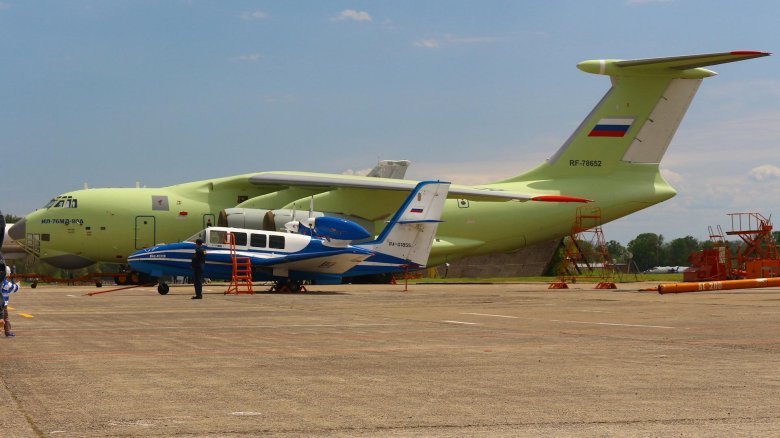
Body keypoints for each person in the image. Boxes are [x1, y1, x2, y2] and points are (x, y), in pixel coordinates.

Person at [1, 265, 19, 337]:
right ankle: (8, 332)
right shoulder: (5, 283)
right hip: (3, 304)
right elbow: (14, 288)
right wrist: (16, 283)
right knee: (6, 318)